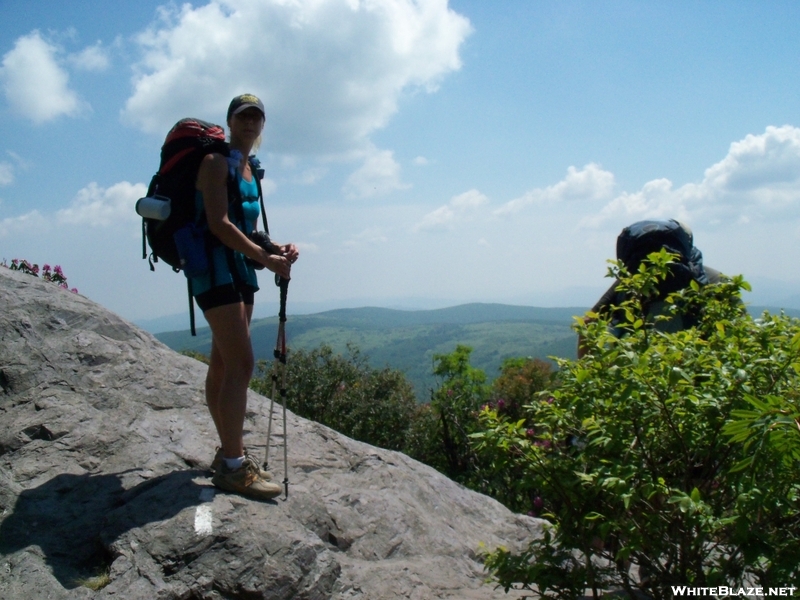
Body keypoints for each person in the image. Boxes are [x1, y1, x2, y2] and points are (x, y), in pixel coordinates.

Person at [193, 93, 299, 500]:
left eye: (257, 117)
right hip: (215, 273)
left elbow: (245, 226)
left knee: (222, 364)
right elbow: (218, 225)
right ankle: (234, 466)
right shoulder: (215, 163)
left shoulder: (251, 170)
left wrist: (275, 250)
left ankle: (226, 453)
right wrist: (264, 259)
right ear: (230, 121)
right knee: (242, 363)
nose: (250, 123)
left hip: (240, 272)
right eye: (243, 117)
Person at [577, 220, 721, 359]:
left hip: (636, 371)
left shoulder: (630, 280)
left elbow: (589, 322)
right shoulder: (714, 279)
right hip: (693, 368)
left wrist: (590, 377)